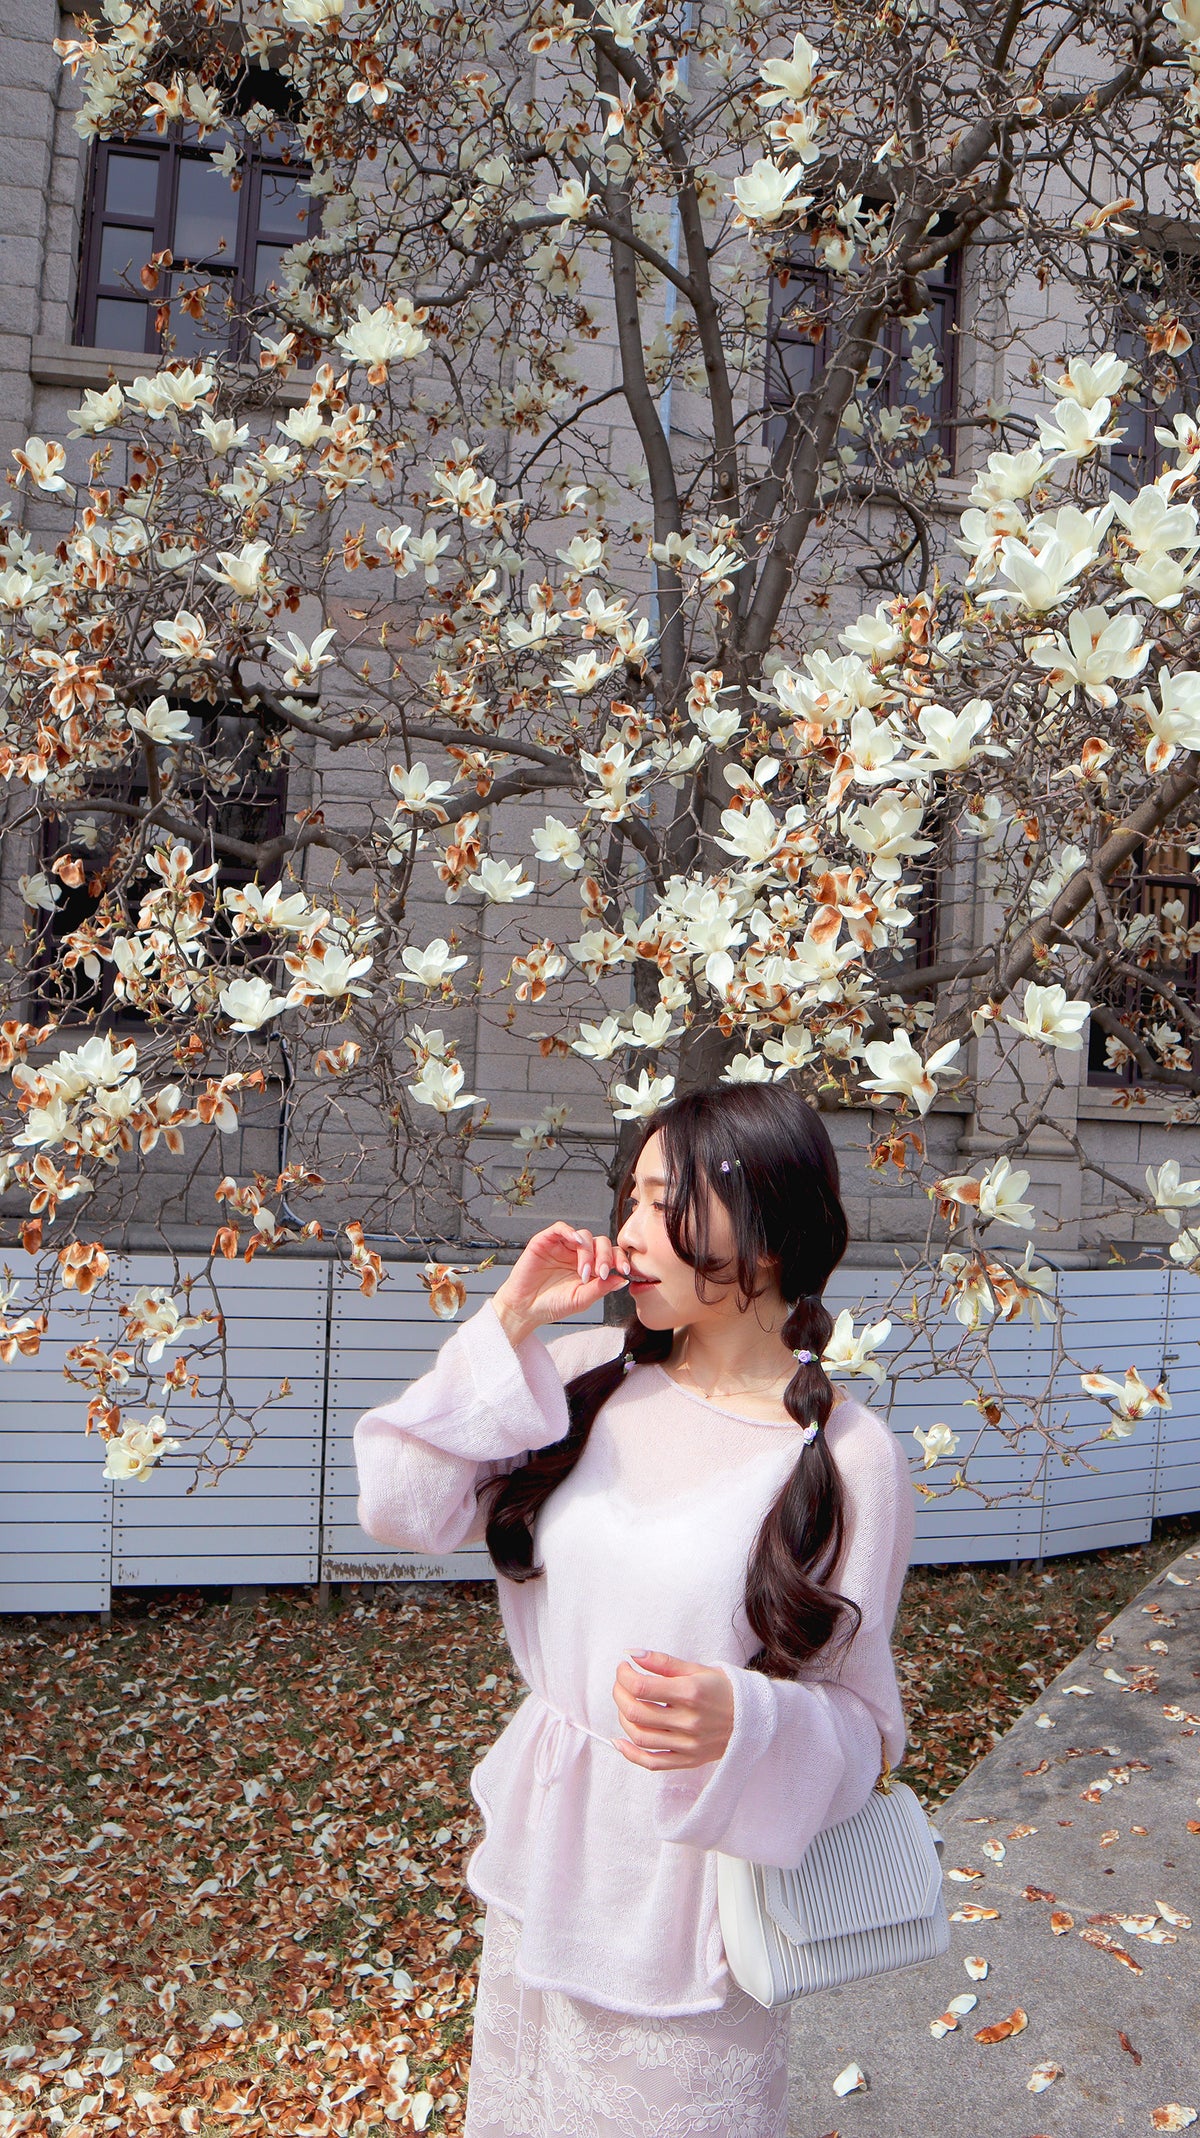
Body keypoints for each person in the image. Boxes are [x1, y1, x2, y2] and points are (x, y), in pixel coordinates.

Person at [353, 1080, 914, 2138]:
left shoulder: (846, 1457)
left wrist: (747, 1720)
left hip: (691, 1901)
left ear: (769, 1225)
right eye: (631, 1198)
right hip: (547, 1863)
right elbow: (400, 1504)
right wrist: (511, 1319)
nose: (630, 1231)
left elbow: (864, 1730)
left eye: (669, 1203)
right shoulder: (577, 1379)